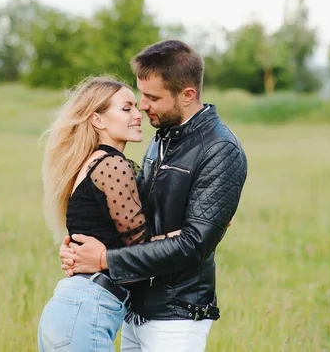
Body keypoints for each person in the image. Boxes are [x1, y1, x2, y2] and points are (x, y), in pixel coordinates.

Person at [60, 40, 248, 352]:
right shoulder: (161, 138)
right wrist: (79, 249)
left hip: (176, 317)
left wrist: (105, 258)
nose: (142, 105)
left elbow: (193, 245)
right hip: (135, 309)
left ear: (187, 95)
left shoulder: (220, 149)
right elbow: (133, 217)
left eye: (152, 97)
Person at [37, 75, 176, 351]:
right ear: (98, 120)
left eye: (136, 107)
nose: (139, 115)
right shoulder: (112, 165)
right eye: (126, 109)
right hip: (87, 310)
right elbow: (140, 248)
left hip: (71, 309)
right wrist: (198, 231)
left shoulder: (91, 163)